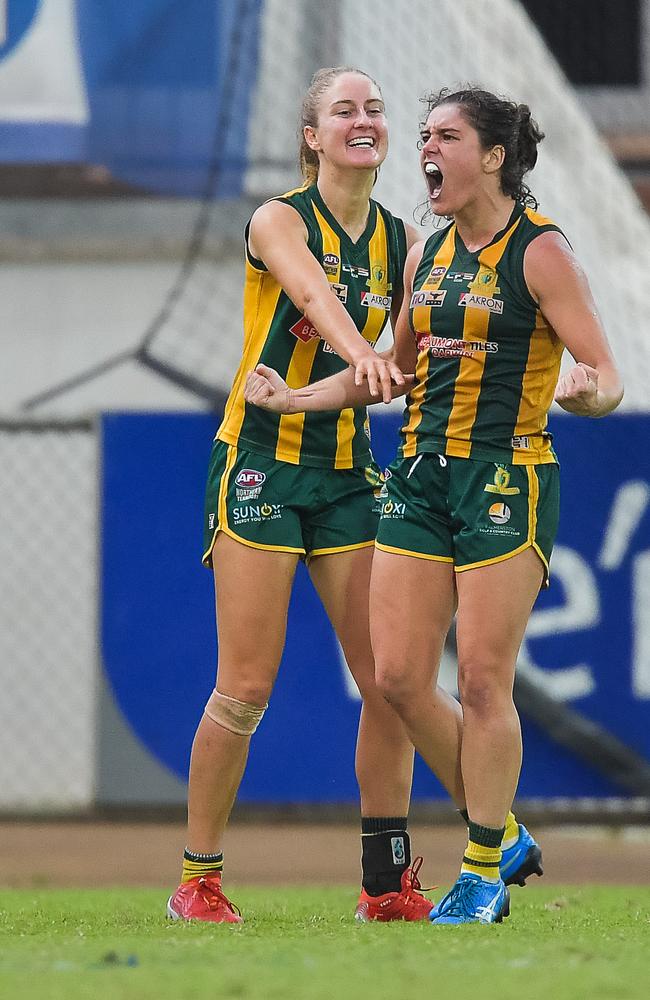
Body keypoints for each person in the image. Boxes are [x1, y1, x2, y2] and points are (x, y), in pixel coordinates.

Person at [243, 85, 623, 925]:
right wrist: (294, 402)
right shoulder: (429, 254)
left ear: (492, 157)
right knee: (400, 680)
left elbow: (606, 374)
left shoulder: (541, 252)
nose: (425, 148)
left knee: (485, 680)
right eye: (424, 134)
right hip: (416, 480)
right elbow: (389, 368)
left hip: (503, 480)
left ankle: (481, 868)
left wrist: (584, 393)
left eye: (445, 135)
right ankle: (505, 831)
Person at [167, 65, 436, 925]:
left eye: (376, 110)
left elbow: (383, 377)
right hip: (259, 468)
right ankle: (196, 880)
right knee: (245, 686)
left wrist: (374, 367)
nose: (366, 120)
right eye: (345, 110)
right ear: (312, 137)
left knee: (390, 681)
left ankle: (385, 884)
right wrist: (360, 347)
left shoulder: (406, 242)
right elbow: (311, 290)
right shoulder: (277, 218)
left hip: (349, 472)